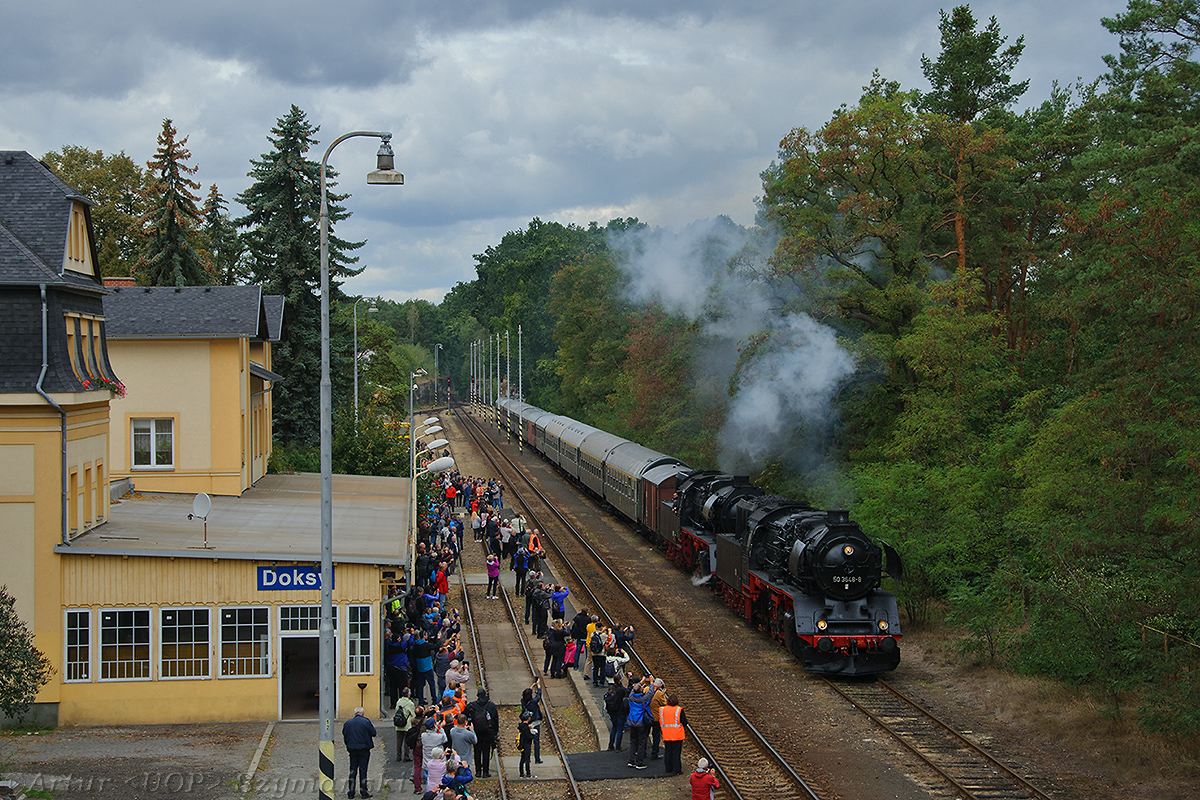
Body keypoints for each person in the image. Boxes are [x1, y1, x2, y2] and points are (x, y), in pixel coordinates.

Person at [342, 706, 377, 799]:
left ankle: (351, 792)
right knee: (363, 770)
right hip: (364, 749)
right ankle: (363, 792)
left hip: (352, 749)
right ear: (362, 714)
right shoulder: (366, 722)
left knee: (353, 770)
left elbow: (345, 734)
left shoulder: (348, 723)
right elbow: (373, 733)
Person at [467, 689, 499, 778]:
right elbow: (495, 720)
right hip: (488, 733)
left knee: (477, 751)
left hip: (476, 732)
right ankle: (485, 771)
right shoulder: (491, 706)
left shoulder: (472, 705)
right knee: (486, 752)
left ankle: (478, 771)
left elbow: (464, 713)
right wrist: (495, 733)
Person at [624, 677, 652, 769]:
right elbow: (651, 693)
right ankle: (639, 762)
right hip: (641, 723)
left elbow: (633, 690)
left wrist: (641, 682)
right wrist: (651, 682)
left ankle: (631, 760)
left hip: (632, 722)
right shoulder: (643, 699)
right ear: (641, 690)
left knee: (633, 742)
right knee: (641, 743)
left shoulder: (631, 697)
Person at [659, 693, 688, 775]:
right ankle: (677, 769)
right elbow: (684, 722)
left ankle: (668, 768)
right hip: (677, 735)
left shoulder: (662, 709)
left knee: (668, 751)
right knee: (676, 752)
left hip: (666, 734)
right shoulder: (679, 710)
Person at [520, 680, 543, 764]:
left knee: (527, 741)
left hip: (527, 723)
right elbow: (539, 695)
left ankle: (527, 758)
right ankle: (537, 758)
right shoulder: (533, 702)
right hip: (535, 722)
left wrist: (532, 686)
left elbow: (527, 695)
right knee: (536, 741)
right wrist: (538, 686)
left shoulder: (523, 701)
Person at [604, 676, 628, 751]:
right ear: (620, 681)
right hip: (620, 712)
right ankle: (618, 746)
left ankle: (610, 745)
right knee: (620, 729)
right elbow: (627, 692)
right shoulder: (621, 690)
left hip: (613, 712)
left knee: (614, 728)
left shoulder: (611, 689)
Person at [648, 677, 667, 760]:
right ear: (660, 686)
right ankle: (654, 753)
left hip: (647, 717)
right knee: (656, 736)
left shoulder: (646, 689)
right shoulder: (660, 694)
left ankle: (643, 752)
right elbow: (665, 703)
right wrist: (663, 693)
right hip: (656, 718)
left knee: (645, 734)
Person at [517, 711, 535, 777]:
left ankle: (521, 773)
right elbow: (529, 737)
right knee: (527, 759)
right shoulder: (526, 728)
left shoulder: (521, 726)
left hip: (522, 744)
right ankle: (528, 773)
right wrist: (533, 735)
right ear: (528, 718)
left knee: (522, 759)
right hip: (526, 744)